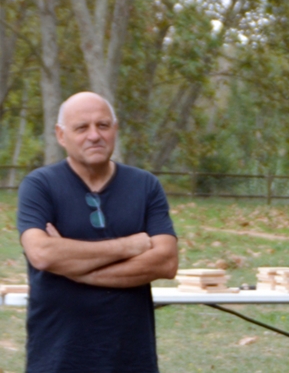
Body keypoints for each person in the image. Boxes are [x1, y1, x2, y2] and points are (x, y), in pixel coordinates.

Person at [17, 91, 179, 373]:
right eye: (82, 128)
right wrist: (128, 247)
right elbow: (42, 254)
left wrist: (74, 268)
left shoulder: (145, 186)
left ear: (114, 130)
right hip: (58, 357)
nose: (94, 135)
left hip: (130, 358)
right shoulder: (40, 186)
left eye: (103, 125)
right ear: (61, 135)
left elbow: (166, 261)